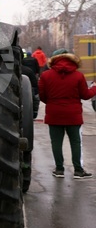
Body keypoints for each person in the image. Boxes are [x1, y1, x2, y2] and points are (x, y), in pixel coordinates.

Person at [39, 48, 96, 179]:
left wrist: (53, 103)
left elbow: (42, 96)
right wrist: (94, 88)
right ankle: (78, 170)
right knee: (75, 142)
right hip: (73, 114)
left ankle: (59, 170)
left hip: (54, 113)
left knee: (56, 143)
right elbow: (85, 95)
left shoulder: (46, 75)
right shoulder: (78, 76)